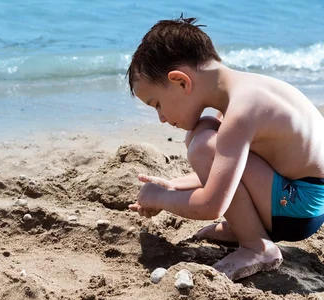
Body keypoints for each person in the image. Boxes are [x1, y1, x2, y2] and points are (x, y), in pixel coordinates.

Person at [126, 16, 324, 281]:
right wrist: (172, 186)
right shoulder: (244, 89)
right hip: (302, 197)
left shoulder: (241, 112)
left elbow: (211, 204)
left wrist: (159, 198)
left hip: (299, 207)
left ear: (181, 81)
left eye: (157, 104)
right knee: (205, 132)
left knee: (203, 145)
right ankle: (245, 225)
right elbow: (229, 171)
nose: (161, 118)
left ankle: (257, 246)